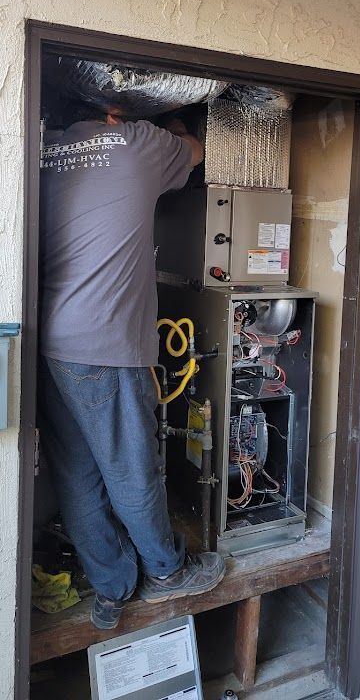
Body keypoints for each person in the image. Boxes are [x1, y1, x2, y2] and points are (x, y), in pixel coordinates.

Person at [38, 107, 225, 630]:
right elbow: (195, 150)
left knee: (77, 473)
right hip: (106, 344)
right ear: (114, 114)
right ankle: (166, 573)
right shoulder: (137, 144)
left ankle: (111, 586)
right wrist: (180, 125)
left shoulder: (44, 147)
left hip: (49, 343)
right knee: (131, 465)